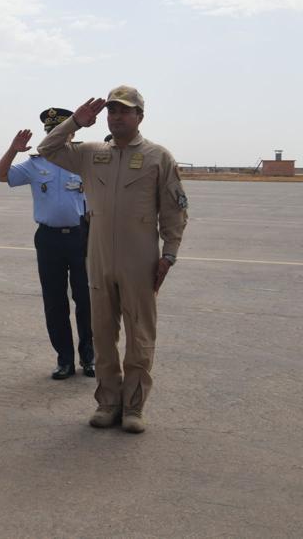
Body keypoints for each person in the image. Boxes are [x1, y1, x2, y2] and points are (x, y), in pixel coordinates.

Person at [38, 86, 188, 434]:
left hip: (140, 260)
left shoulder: (157, 157)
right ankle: (108, 403)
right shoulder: (91, 153)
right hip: (100, 257)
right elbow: (47, 149)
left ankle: (133, 407)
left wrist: (169, 254)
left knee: (140, 335)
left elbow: (175, 210)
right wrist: (75, 121)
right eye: (112, 111)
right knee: (102, 334)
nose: (117, 116)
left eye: (125, 110)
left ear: (140, 116)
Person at [0, 108, 94, 380]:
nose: (54, 136)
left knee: (86, 300)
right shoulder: (36, 164)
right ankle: (64, 360)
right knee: (54, 301)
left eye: (59, 131)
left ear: (71, 133)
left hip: (82, 237)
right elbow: (0, 176)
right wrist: (13, 149)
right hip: (49, 239)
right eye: (50, 132)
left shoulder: (86, 159)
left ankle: (89, 357)